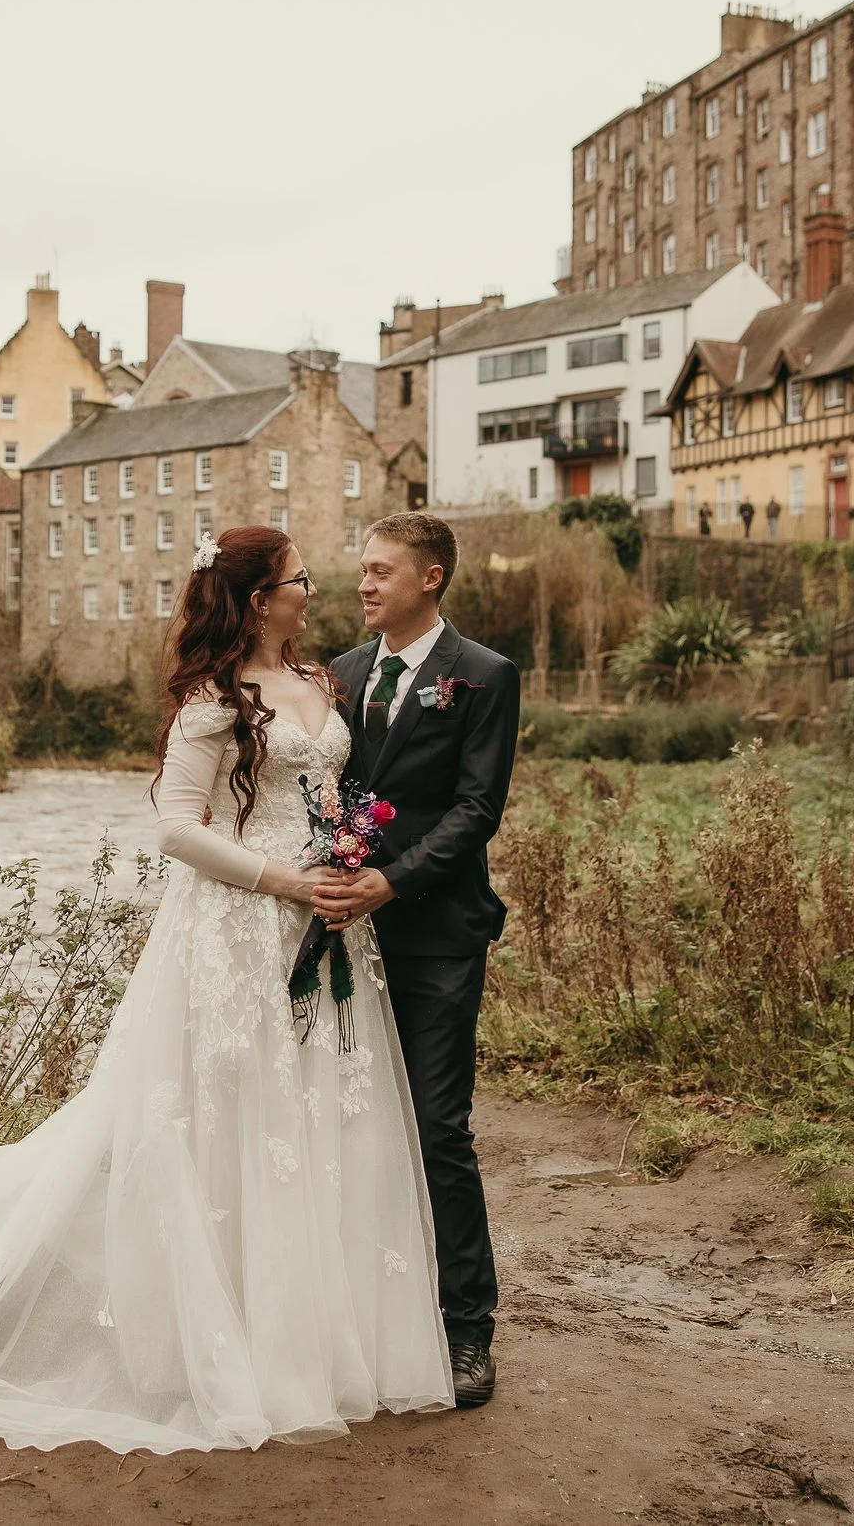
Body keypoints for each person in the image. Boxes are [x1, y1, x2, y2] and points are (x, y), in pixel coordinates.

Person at [0, 525, 452, 1453]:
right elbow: (173, 825)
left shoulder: (323, 683)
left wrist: (345, 862)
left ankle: (321, 1335)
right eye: (296, 580)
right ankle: (222, 1337)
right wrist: (282, 878)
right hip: (242, 923)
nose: (310, 591)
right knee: (230, 1121)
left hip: (327, 926)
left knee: (316, 1114)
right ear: (257, 600)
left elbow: (330, 793)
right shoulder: (212, 700)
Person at [316, 512, 521, 1410]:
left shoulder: (481, 676)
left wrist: (392, 883)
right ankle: (369, 1309)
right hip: (344, 933)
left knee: (439, 1126)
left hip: (437, 930)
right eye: (361, 570)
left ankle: (467, 1327)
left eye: (380, 571)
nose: (363, 584)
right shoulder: (341, 673)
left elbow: (477, 809)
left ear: (430, 578)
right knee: (355, 1123)